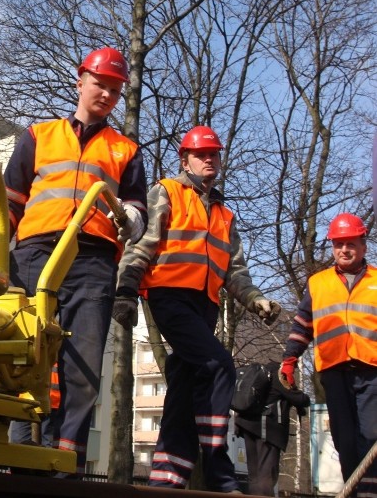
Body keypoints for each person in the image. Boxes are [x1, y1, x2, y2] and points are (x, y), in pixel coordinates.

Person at [0, 46, 148, 475]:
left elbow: (138, 208)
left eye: (115, 89)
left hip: (92, 259)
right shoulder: (38, 136)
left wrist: (133, 216)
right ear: (80, 82)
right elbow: (10, 202)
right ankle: (18, 451)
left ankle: (66, 460)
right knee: (20, 353)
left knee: (82, 363)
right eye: (99, 83)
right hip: (34, 255)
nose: (106, 94)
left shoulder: (125, 150)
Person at [112, 125, 281, 493]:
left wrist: (256, 300)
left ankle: (166, 480)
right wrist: (125, 289)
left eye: (214, 154)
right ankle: (219, 468)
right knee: (218, 364)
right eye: (201, 154)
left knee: (184, 390)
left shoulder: (225, 215)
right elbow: (142, 244)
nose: (209, 159)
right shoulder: (167, 191)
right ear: (184, 159)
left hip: (204, 306)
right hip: (169, 297)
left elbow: (235, 272)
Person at [278, 213, 376, 497]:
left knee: (371, 437)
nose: (344, 249)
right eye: (339, 244)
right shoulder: (317, 283)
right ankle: (354, 491)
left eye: (351, 243)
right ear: (333, 247)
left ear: (363, 246)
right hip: (333, 372)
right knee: (345, 442)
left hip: (372, 371)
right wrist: (289, 359)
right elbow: (302, 325)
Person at [233, 361, 311, 496]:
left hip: (247, 426)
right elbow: (300, 399)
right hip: (267, 430)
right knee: (267, 475)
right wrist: (301, 395)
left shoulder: (264, 371)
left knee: (254, 475)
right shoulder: (280, 374)